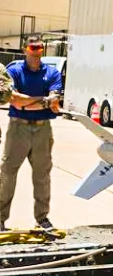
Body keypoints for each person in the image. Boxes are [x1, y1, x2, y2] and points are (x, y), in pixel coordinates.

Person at [0, 35, 63, 231]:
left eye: (38, 51)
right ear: (25, 50)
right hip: (18, 128)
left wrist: (33, 102)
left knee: (42, 175)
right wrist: (43, 101)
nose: (35, 56)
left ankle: (42, 218)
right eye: (32, 51)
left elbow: (54, 100)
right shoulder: (14, 71)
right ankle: (0, 219)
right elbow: (14, 100)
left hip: (43, 129)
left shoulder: (51, 73)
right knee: (7, 174)